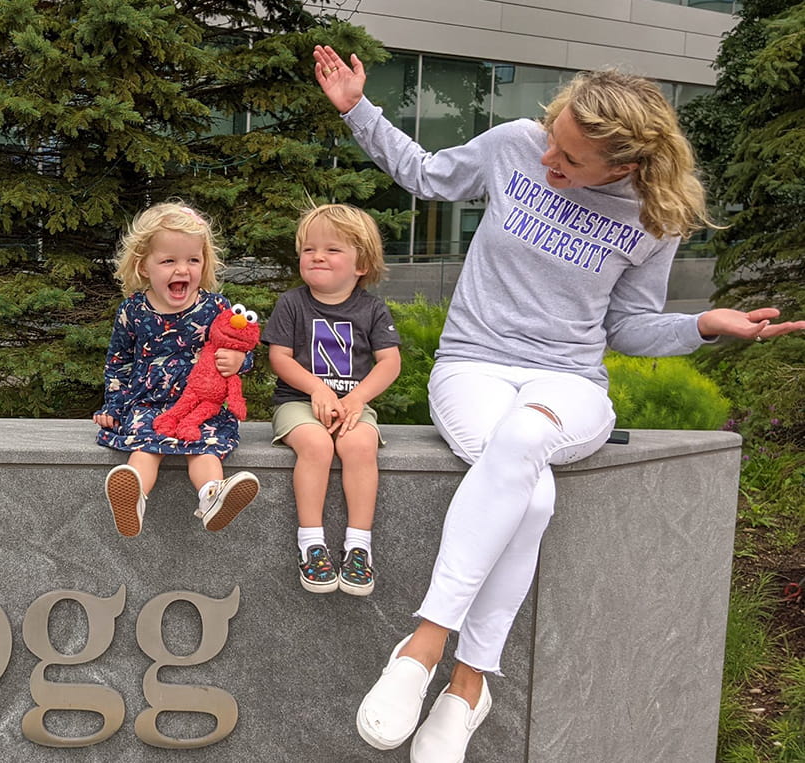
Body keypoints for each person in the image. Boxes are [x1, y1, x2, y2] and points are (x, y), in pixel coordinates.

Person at [312, 45, 805, 762]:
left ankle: (422, 646)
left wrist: (701, 325)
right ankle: (467, 686)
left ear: (626, 164)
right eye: (552, 139)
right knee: (533, 494)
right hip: (473, 364)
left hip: (569, 383)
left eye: (570, 159)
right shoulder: (516, 144)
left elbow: (626, 327)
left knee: (523, 440)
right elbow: (426, 173)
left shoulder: (653, 217)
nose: (549, 158)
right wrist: (359, 109)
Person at [93, 201, 260, 537]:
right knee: (145, 445)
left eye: (192, 260)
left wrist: (240, 362)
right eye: (169, 261)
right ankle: (134, 496)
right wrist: (113, 406)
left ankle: (212, 495)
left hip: (200, 405)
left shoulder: (216, 307)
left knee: (205, 446)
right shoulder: (133, 310)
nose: (182, 270)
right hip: (147, 403)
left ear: (204, 263)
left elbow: (240, 347)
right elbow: (118, 361)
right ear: (143, 266)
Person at [263, 204, 401, 596]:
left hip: (353, 403)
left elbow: (390, 363)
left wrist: (357, 398)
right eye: (309, 249)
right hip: (298, 402)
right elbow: (279, 357)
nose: (317, 256)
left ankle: (359, 546)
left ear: (362, 264)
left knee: (360, 445)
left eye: (332, 249)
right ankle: (312, 544)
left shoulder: (372, 309)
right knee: (317, 444)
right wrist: (317, 389)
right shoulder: (292, 303)